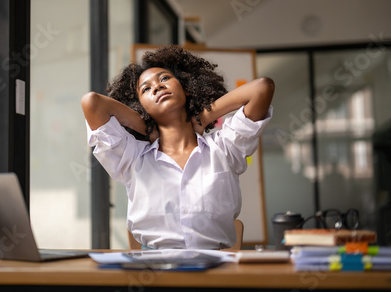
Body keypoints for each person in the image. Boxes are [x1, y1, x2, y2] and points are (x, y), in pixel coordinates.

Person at [81, 45, 274, 249]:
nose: (156, 87)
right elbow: (92, 103)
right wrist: (147, 127)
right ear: (139, 105)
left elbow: (262, 88)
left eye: (164, 79)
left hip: (216, 268)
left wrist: (203, 116)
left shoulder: (224, 147)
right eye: (146, 89)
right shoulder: (132, 157)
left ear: (187, 88)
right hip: (155, 270)